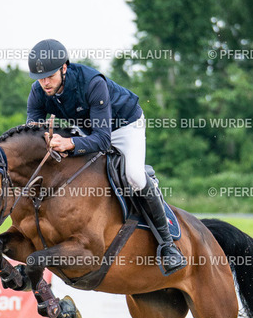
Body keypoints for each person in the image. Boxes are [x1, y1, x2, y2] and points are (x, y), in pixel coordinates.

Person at [26, 38, 186, 275]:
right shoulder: (38, 91)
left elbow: (103, 140)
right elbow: (32, 132)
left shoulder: (92, 83)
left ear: (64, 68)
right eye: (40, 78)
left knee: (134, 176)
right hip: (87, 128)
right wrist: (45, 139)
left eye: (49, 76)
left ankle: (168, 245)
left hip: (124, 126)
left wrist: (69, 143)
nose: (45, 83)